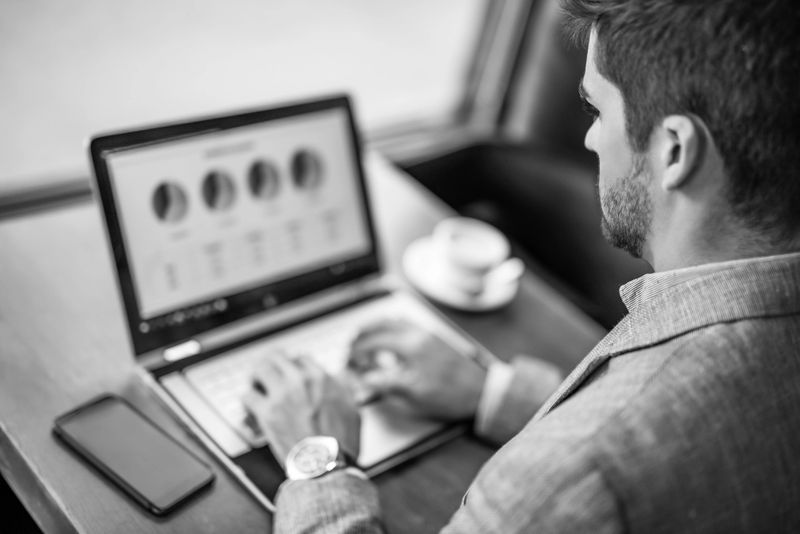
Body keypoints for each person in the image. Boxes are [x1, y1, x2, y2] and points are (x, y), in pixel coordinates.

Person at [242, 0, 800, 531]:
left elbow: (601, 461)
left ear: (674, 152)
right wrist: (489, 395)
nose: (588, 137)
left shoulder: (566, 475)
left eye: (597, 109)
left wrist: (318, 461)